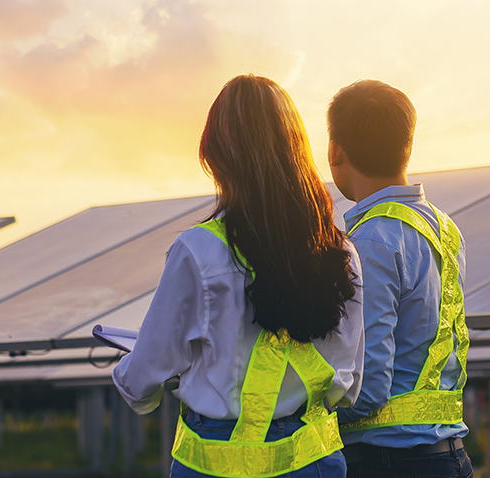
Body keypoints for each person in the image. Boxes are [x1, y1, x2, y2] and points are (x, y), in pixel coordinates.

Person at [113, 74, 365, 478]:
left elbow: (142, 381)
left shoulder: (198, 250)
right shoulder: (341, 251)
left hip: (213, 463)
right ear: (297, 150)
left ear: (217, 156)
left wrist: (132, 373)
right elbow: (347, 386)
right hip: (316, 461)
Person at [326, 80, 472, 478]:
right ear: (407, 146)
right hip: (449, 456)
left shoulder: (371, 241)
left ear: (334, 151)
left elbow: (368, 387)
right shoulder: (443, 228)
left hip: (389, 463)